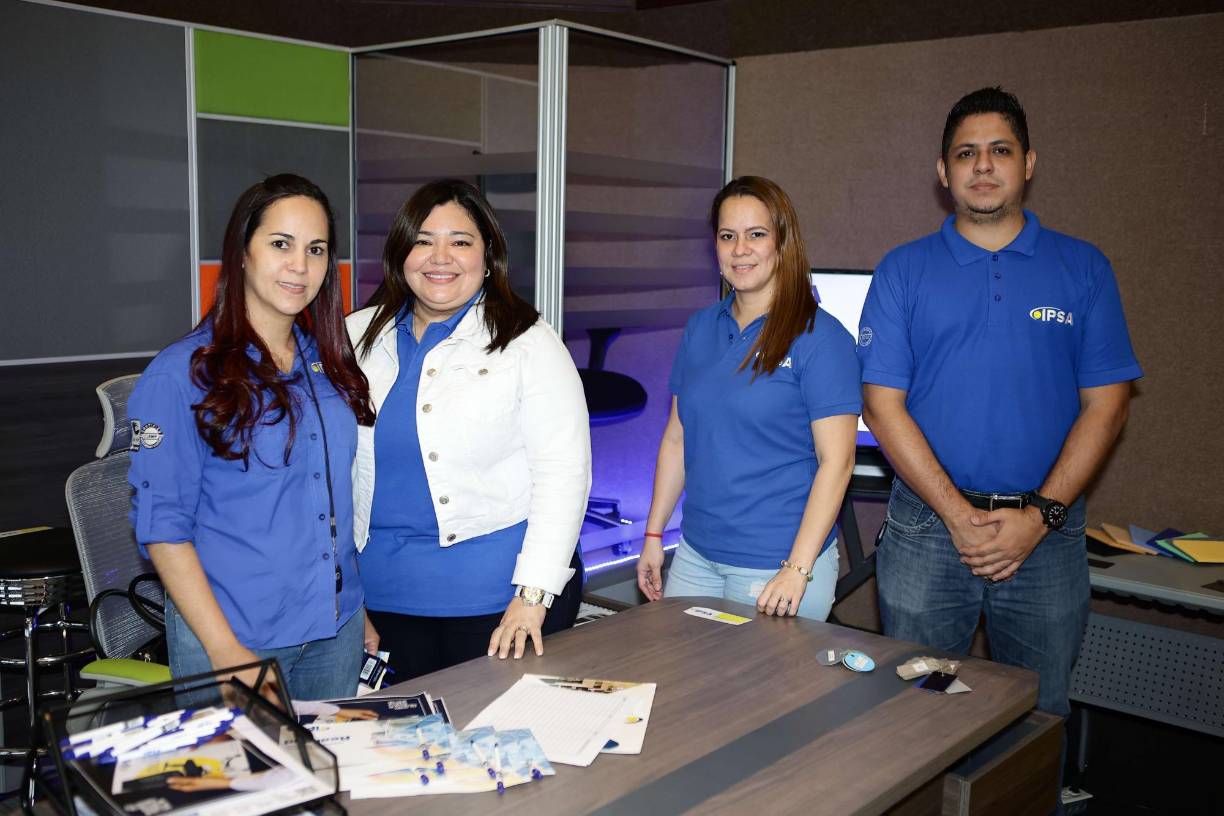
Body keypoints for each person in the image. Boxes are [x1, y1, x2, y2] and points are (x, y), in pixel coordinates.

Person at [859, 87, 1142, 724]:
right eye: (966, 153)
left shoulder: (1084, 268)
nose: (982, 166)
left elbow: (1108, 406)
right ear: (943, 172)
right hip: (928, 531)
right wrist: (959, 517)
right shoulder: (902, 271)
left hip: (1045, 534)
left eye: (999, 150)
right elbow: (881, 406)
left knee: (1037, 718)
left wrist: (1037, 517)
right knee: (914, 716)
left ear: (1028, 163)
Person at [128, 174, 378, 701]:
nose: (300, 266)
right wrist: (224, 652)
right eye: (280, 244)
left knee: (327, 781)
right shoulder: (180, 375)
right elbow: (162, 528)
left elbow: (326, 504)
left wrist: (356, 610)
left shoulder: (327, 363)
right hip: (236, 639)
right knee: (239, 786)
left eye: (316, 250)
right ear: (241, 252)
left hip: (336, 631)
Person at [347, 178, 590, 679]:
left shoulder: (528, 341)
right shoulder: (354, 337)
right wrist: (345, 596)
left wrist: (533, 596)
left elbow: (565, 475)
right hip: (381, 604)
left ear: (488, 255)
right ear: (400, 253)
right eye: (423, 240)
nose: (441, 257)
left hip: (498, 604)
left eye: (460, 241)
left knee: (499, 747)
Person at [636, 176, 861, 620]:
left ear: (782, 242)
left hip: (776, 566)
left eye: (756, 234)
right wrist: (653, 534)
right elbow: (678, 439)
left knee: (762, 693)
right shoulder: (701, 327)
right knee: (683, 686)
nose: (740, 249)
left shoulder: (821, 337)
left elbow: (838, 462)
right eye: (727, 236)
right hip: (696, 556)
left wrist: (798, 568)